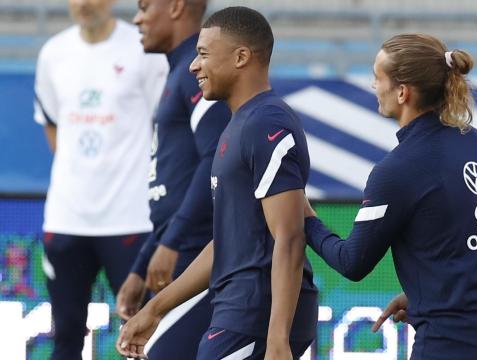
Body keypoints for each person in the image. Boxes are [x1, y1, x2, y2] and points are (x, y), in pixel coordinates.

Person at [302, 34, 477, 359]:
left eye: (377, 77)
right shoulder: (476, 142)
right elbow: (465, 242)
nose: (372, 86)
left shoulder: (397, 170)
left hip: (452, 346)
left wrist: (307, 220)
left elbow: (352, 262)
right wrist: (424, 296)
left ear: (402, 91)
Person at [116, 7, 318, 360]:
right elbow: (227, 240)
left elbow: (289, 236)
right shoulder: (239, 124)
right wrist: (155, 309)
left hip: (254, 317)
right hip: (236, 313)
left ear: (241, 57)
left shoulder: (266, 123)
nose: (194, 65)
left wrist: (277, 339)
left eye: (204, 54)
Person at [33, 0, 168, 358]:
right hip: (67, 219)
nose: (85, 4)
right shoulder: (53, 54)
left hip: (130, 219)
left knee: (141, 336)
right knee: (66, 336)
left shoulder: (143, 48)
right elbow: (52, 126)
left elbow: (167, 125)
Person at [114, 0, 231, 358]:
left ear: (177, 7)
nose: (137, 18)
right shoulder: (180, 70)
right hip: (179, 248)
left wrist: (173, 243)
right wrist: (141, 264)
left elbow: (216, 158)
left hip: (198, 255)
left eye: (145, 7)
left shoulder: (198, 72)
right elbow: (176, 195)